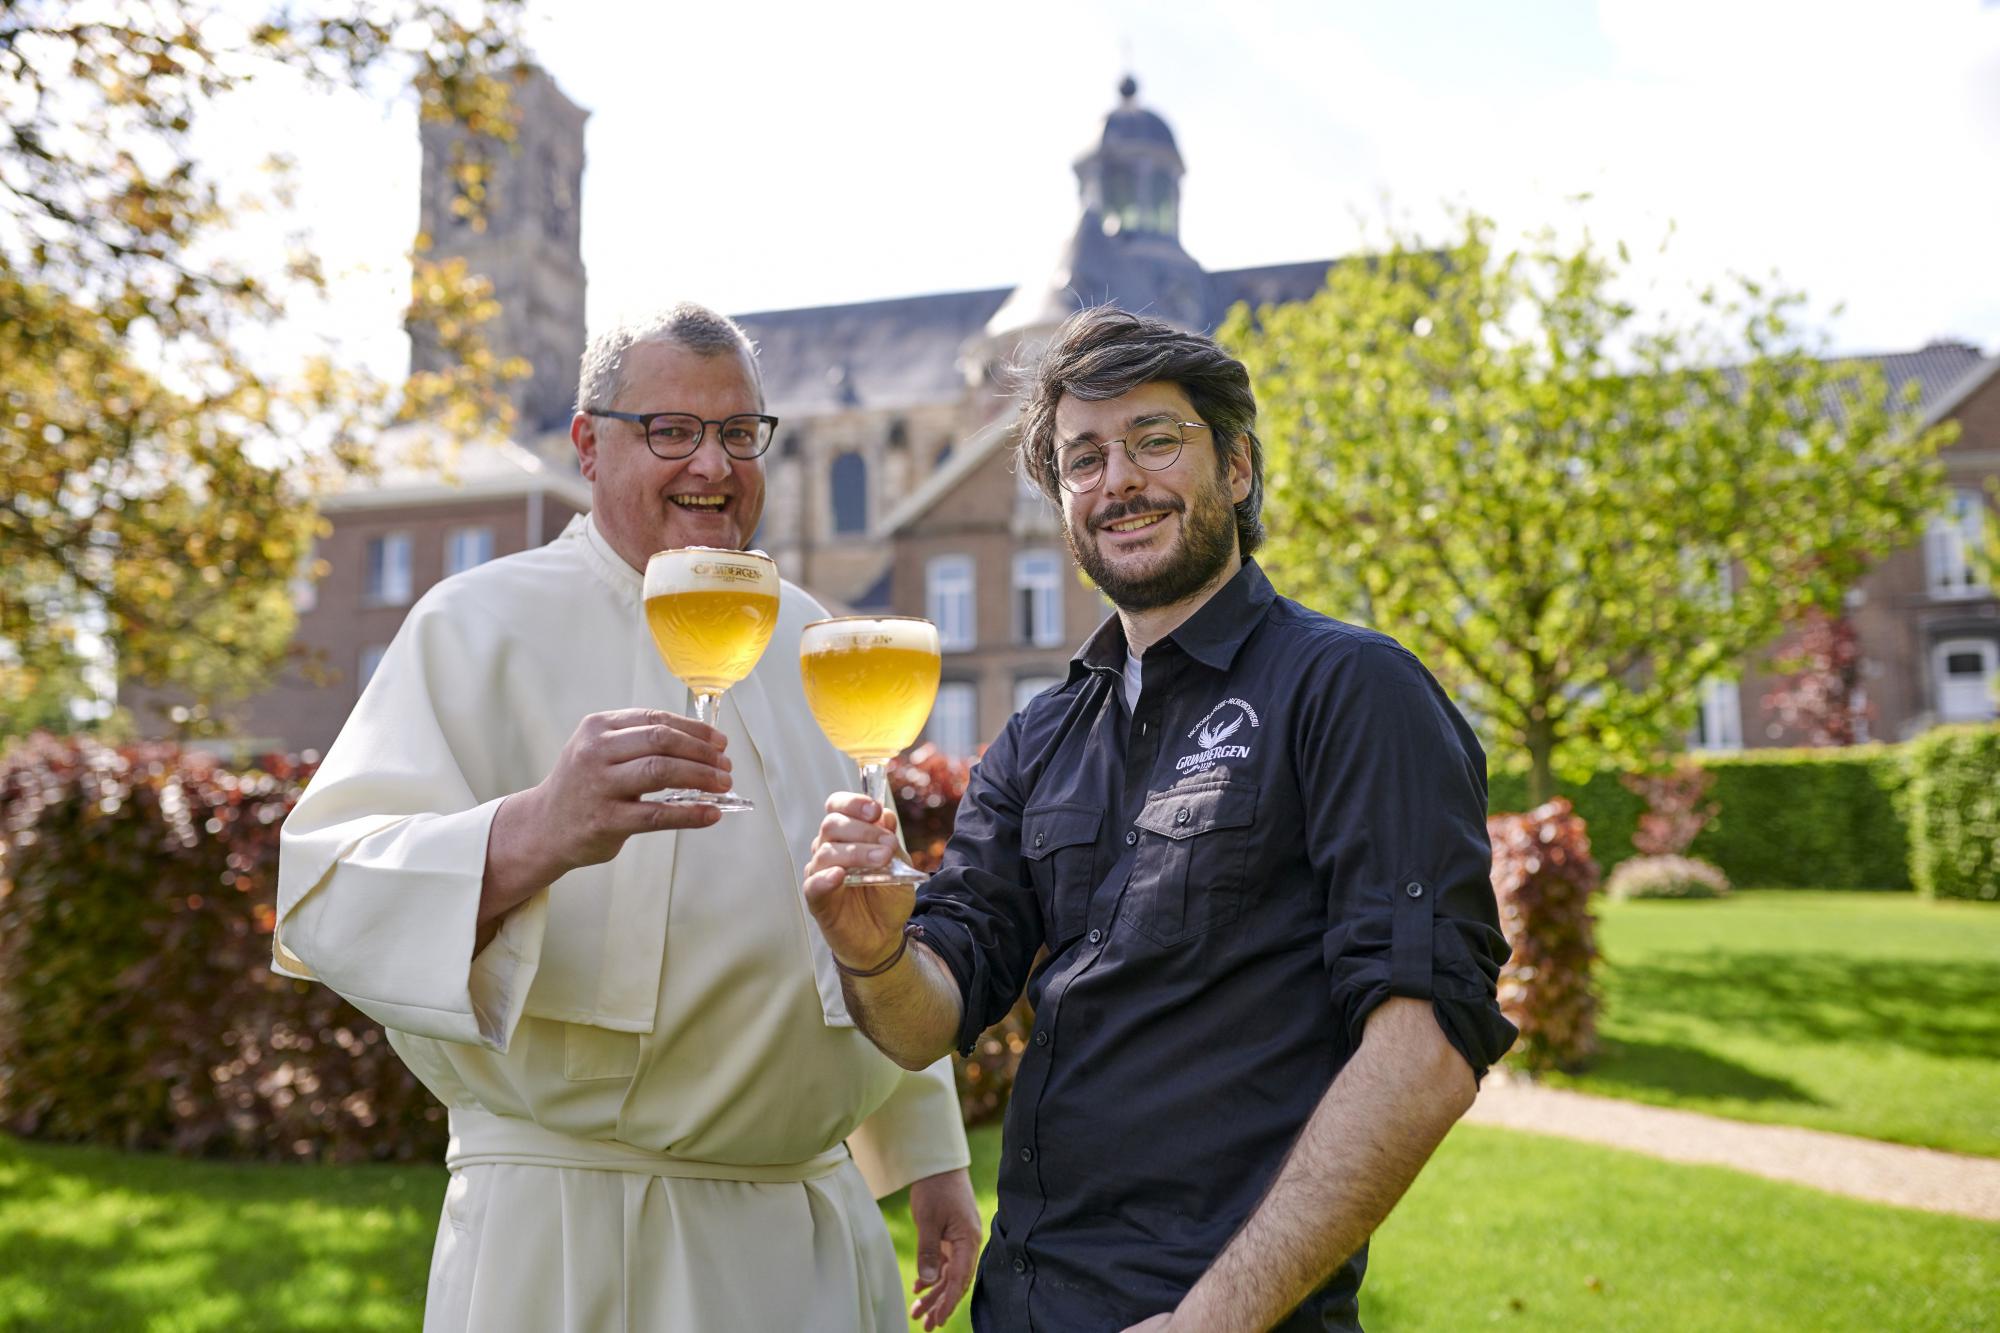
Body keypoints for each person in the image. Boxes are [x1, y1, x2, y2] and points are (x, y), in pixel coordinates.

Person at [804, 306, 1517, 1332]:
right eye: (1081, 457)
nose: (1117, 481)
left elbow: (1426, 1043)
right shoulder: (1036, 739)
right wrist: (871, 952)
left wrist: (1211, 1320)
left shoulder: (1351, 689)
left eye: (1154, 440)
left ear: (1234, 468)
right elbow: (930, 1017)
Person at [276, 304, 979, 1333]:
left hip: (809, 1238)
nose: (714, 463)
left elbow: (858, 928)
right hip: (575, 1243)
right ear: (587, 444)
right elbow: (326, 892)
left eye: (740, 433)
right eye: (671, 430)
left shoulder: (821, 638)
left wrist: (930, 1154)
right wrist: (536, 828)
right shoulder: (475, 624)